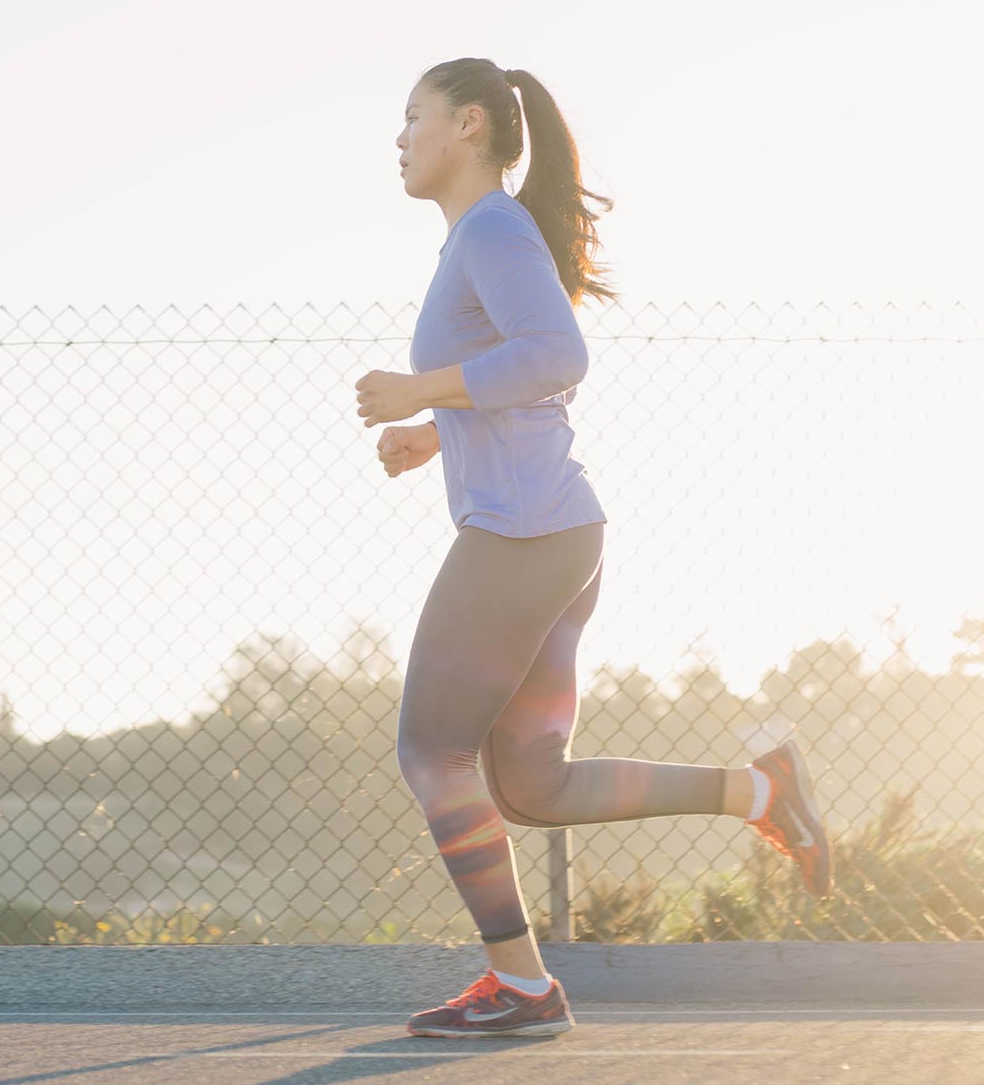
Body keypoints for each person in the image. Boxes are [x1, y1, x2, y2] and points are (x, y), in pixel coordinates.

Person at [353, 58, 833, 1040]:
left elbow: (559, 355)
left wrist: (421, 390)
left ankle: (523, 988)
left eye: (414, 117)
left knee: (431, 749)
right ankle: (762, 790)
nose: (398, 138)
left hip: (525, 535)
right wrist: (436, 431)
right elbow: (531, 380)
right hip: (557, 533)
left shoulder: (488, 227)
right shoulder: (479, 238)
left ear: (471, 125)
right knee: (531, 784)